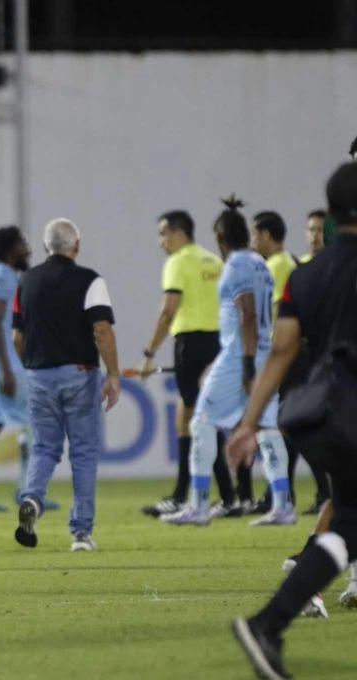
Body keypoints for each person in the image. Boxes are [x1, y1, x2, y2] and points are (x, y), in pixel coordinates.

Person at [226, 163, 357, 680]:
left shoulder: (306, 275)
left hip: (329, 417)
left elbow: (281, 349)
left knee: (347, 527)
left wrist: (248, 422)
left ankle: (268, 624)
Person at [161, 197, 295, 528]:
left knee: (201, 421)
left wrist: (245, 364)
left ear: (221, 238)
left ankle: (199, 504)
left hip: (242, 354)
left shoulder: (235, 266)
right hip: (259, 352)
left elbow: (246, 314)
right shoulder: (261, 264)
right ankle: (282, 505)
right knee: (265, 426)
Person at [13, 218, 120, 552]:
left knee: (44, 447)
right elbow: (101, 329)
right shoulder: (90, 281)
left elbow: (18, 336)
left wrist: (30, 367)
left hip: (39, 375)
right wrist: (113, 373)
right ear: (76, 245)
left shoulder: (26, 282)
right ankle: (80, 532)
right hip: (79, 374)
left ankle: (32, 498)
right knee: (84, 453)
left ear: (46, 246)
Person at [138, 211, 239, 519]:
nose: (160, 242)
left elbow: (169, 311)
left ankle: (220, 496)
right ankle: (185, 494)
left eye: (162, 234)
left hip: (191, 345)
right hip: (217, 343)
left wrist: (149, 353)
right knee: (189, 414)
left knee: (200, 419)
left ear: (178, 233)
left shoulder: (178, 262)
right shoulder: (214, 262)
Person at [0, 227, 56, 513]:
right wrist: (7, 368)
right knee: (36, 421)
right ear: (9, 248)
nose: (28, 249)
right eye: (23, 243)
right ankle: (28, 492)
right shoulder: (3, 275)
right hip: (4, 360)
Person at [249, 211, 331, 515]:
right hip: (293, 354)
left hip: (294, 355)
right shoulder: (292, 264)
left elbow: (282, 318)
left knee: (291, 424)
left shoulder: (283, 266)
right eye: (310, 229)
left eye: (320, 229)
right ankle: (284, 493)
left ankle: (316, 493)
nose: (314, 235)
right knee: (286, 425)